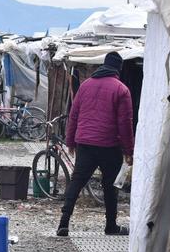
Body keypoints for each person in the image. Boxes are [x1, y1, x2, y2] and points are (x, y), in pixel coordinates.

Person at [57, 52, 134, 237]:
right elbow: (125, 123)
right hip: (109, 145)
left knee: (77, 182)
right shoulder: (121, 89)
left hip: (85, 143)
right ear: (119, 69)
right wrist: (129, 150)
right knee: (110, 186)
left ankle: (63, 223)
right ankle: (111, 226)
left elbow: (73, 114)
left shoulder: (85, 86)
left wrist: (70, 141)